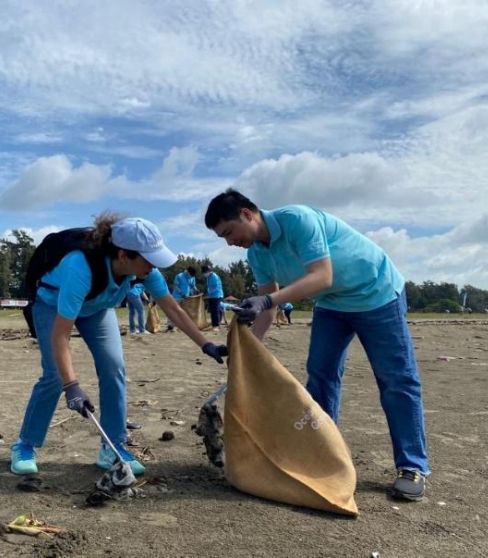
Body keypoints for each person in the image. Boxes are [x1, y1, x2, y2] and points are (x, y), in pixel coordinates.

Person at [205, 189, 430, 501]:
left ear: (246, 214)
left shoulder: (298, 219)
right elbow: (266, 310)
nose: (230, 242)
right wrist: (245, 348)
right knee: (321, 376)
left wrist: (268, 298)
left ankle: (412, 466)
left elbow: (322, 277)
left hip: (376, 294)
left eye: (229, 232)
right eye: (223, 238)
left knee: (396, 380)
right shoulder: (257, 253)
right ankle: (322, 454)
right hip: (332, 304)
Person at [10, 215, 228, 477]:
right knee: (55, 376)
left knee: (114, 368)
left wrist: (206, 344)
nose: (154, 265)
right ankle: (25, 444)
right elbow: (61, 336)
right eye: (149, 259)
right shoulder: (80, 268)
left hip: (97, 308)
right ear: (124, 255)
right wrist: (72, 386)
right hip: (52, 304)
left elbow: (173, 309)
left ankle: (113, 446)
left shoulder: (146, 270)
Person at [167, 266, 198, 331]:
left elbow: (193, 286)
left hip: (186, 298)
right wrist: (181, 293)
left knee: (183, 312)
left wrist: (196, 290)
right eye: (191, 275)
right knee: (174, 311)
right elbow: (175, 286)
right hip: (177, 297)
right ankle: (171, 326)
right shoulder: (179, 276)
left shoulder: (192, 277)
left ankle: (180, 326)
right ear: (188, 272)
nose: (191, 276)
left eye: (192, 275)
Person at [201, 265, 224, 329]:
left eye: (205, 272)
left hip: (217, 295)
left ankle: (216, 325)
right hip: (212, 295)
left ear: (208, 271)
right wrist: (208, 293)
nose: (204, 274)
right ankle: (215, 323)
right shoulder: (208, 277)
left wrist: (209, 293)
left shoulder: (214, 276)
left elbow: (216, 287)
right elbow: (209, 287)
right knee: (213, 310)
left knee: (215, 310)